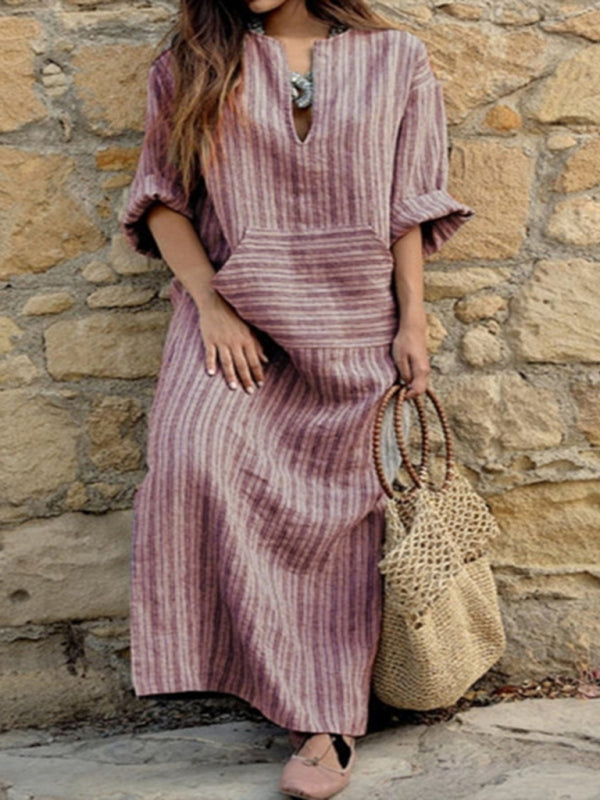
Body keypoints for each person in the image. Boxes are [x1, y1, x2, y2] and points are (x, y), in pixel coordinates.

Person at [119, 0, 475, 797]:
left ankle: (324, 723)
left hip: (354, 322)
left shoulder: (395, 59)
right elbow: (162, 197)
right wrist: (211, 305)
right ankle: (273, 683)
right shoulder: (192, 64)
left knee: (347, 513)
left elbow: (408, 201)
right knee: (190, 462)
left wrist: (412, 316)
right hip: (235, 321)